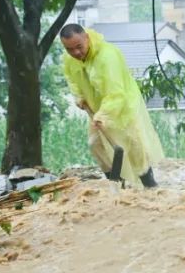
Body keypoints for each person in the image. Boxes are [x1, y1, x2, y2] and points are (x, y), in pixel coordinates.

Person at [61, 24, 162, 188]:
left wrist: (104, 115)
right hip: (96, 108)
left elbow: (116, 93)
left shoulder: (107, 57)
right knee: (95, 143)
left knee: (133, 145)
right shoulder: (70, 59)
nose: (75, 53)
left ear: (86, 37)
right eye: (69, 49)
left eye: (79, 47)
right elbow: (71, 77)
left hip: (123, 106)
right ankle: (116, 182)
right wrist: (78, 96)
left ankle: (149, 184)